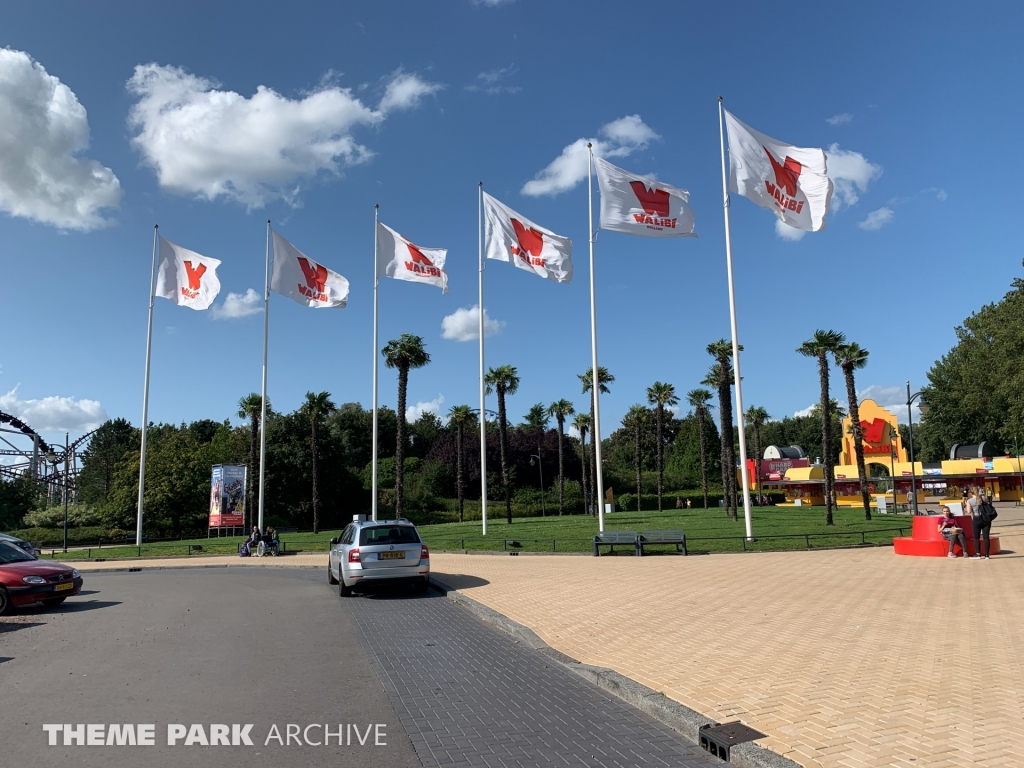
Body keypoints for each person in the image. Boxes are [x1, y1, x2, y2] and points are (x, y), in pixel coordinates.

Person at [972, 489, 994, 560]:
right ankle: (987, 555)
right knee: (986, 537)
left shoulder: (970, 500)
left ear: (971, 493)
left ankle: (978, 554)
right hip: (986, 519)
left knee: (976, 537)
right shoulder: (984, 498)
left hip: (976, 519)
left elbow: (969, 511)